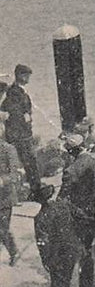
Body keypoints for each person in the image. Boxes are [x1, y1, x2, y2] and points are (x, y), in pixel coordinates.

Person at [59, 133, 95, 287]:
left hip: (80, 216)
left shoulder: (71, 170)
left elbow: (62, 198)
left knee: (83, 252)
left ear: (72, 152)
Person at [33, 184, 83, 287]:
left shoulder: (40, 217)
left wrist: (45, 260)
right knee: (66, 285)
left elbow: (42, 242)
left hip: (56, 256)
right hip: (72, 251)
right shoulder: (64, 205)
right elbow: (81, 217)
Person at [1, 64, 39, 193]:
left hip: (22, 134)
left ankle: (35, 188)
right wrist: (25, 118)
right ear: (20, 75)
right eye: (26, 75)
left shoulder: (19, 91)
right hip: (20, 136)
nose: (28, 78)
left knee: (29, 162)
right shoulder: (15, 93)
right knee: (29, 162)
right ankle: (36, 190)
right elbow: (15, 114)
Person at [0, 120, 20, 266]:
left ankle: (13, 252)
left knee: (2, 228)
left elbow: (14, 174)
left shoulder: (9, 149)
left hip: (4, 197)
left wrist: (2, 181)